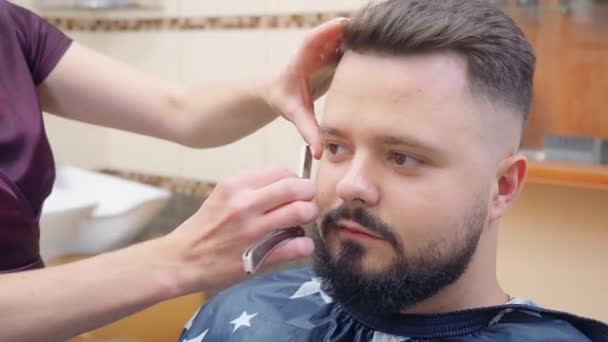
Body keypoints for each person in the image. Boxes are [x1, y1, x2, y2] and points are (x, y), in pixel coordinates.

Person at [179, 0, 608, 341]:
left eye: (402, 157)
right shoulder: (238, 317)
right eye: (336, 146)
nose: (351, 185)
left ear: (502, 187)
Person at [0, 0, 346, 340]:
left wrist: (274, 88)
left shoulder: (10, 29)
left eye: (399, 156)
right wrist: (180, 258)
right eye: (337, 147)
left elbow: (180, 110)